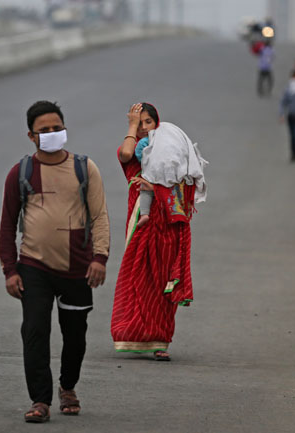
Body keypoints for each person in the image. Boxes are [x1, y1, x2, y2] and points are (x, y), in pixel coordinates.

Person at [0, 100, 110, 423]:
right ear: (31, 136)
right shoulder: (21, 173)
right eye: (44, 130)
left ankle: (68, 386)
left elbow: (100, 216)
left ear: (65, 128)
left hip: (78, 268)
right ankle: (40, 400)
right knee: (35, 331)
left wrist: (99, 257)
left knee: (75, 335)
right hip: (33, 266)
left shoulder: (84, 168)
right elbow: (7, 224)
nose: (52, 133)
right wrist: (10, 269)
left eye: (56, 128)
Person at [111, 103, 206, 361]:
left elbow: (183, 188)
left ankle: (161, 340)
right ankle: (134, 332)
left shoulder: (171, 157)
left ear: (157, 123)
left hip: (168, 226)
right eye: (138, 123)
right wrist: (132, 126)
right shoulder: (134, 153)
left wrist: (157, 189)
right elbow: (124, 154)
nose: (144, 127)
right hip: (142, 224)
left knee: (165, 282)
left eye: (147, 122)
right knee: (140, 280)